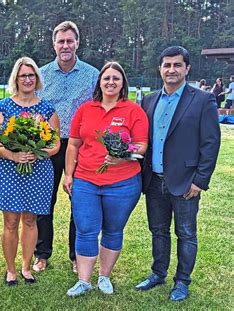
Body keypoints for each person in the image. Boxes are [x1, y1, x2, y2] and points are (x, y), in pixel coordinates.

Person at [135, 46, 221, 301]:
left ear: (187, 69)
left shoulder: (203, 100)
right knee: (158, 230)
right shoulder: (149, 100)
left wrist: (200, 181)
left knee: (186, 233)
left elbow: (210, 143)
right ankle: (158, 273)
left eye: (177, 65)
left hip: (186, 183)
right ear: (160, 69)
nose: (171, 70)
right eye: (167, 65)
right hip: (154, 180)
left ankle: (182, 282)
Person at [63, 61, 148, 296]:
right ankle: (84, 280)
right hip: (86, 181)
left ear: (123, 84)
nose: (111, 82)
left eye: (116, 78)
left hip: (123, 183)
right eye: (106, 78)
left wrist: (123, 158)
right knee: (85, 230)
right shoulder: (85, 109)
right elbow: (73, 145)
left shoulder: (133, 111)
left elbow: (141, 145)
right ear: (99, 82)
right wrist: (69, 174)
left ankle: (104, 277)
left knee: (112, 230)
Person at [0, 57, 60, 286]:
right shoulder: (3, 107)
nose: (27, 79)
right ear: (16, 79)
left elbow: (55, 143)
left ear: (37, 79)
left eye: (31, 75)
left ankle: (27, 267)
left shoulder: (47, 109)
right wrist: (14, 155)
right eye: (23, 76)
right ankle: (11, 270)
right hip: (8, 169)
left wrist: (37, 153)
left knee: (30, 220)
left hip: (37, 171)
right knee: (10, 221)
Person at [34, 20, 99, 274]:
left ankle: (75, 255)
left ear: (77, 43)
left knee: (79, 203)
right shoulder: (42, 74)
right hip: (48, 146)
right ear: (53, 44)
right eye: (61, 41)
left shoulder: (92, 75)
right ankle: (42, 254)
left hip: (79, 147)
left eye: (69, 40)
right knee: (43, 203)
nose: (65, 45)